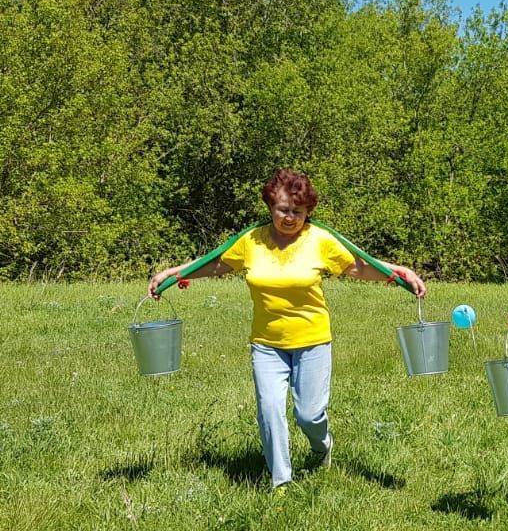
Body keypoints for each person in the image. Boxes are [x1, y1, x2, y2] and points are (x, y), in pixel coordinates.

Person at [149, 169, 426, 493]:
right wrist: (174, 273)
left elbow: (358, 266)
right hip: (267, 343)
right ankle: (281, 482)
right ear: (270, 206)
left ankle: (322, 446)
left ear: (308, 211)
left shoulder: (319, 240)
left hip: (313, 341)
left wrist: (398, 271)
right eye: (283, 210)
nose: (290, 218)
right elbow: (217, 262)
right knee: (269, 410)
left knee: (308, 415)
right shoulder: (252, 241)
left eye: (297, 211)